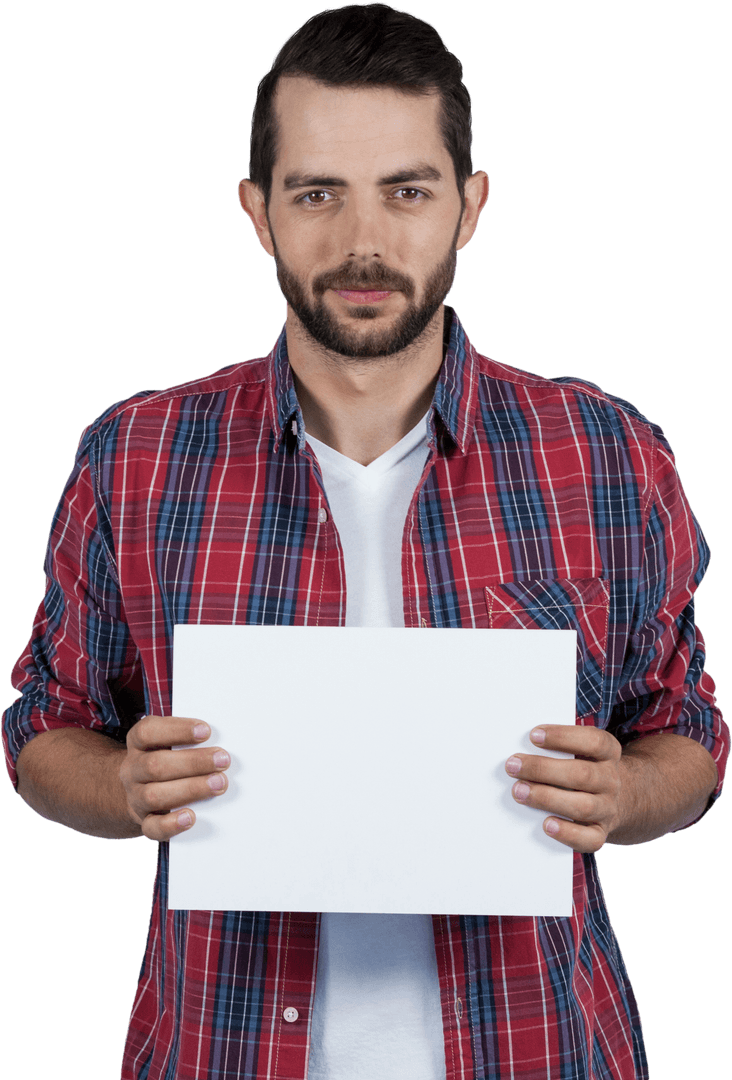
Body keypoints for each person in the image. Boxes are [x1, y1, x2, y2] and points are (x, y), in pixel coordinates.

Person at [2, 4, 727, 1079]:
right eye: (317, 194)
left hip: (542, 1051)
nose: (363, 244)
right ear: (259, 213)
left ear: (469, 207)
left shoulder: (610, 457)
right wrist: (120, 790)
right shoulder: (135, 458)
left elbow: (691, 736)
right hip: (221, 1052)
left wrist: (624, 793)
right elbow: (41, 728)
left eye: (407, 190)